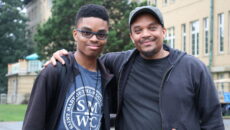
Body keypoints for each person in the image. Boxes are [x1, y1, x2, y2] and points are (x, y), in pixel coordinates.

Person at [47, 6, 224, 130]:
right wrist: (65, 56)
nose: (145, 34)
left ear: (163, 31)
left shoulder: (193, 68)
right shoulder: (118, 63)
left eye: (152, 28)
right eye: (138, 30)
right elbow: (86, 58)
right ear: (132, 37)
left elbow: (213, 122)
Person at [23, 4, 116, 130]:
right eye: (86, 32)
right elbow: (33, 124)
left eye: (101, 34)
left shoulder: (108, 77)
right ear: (75, 34)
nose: (94, 39)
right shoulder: (54, 71)